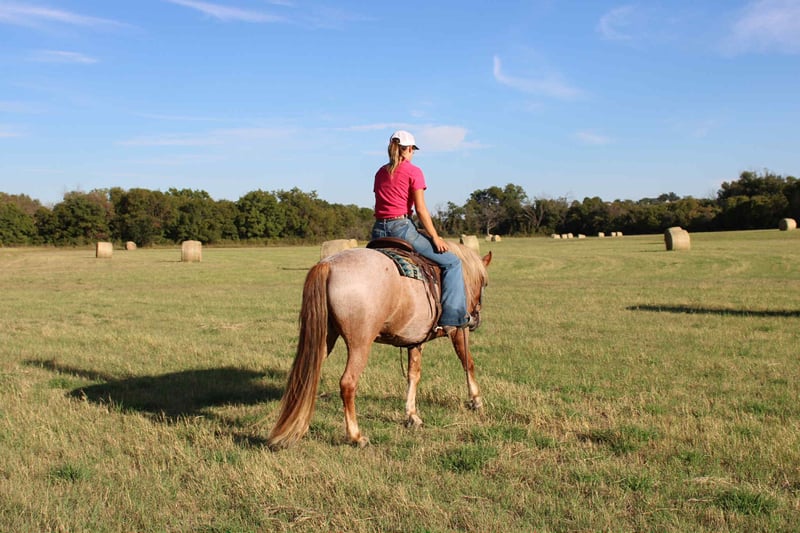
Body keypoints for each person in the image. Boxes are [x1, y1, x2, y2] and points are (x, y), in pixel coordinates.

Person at [371, 130, 474, 330]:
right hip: (401, 228)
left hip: (378, 231)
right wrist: (435, 237)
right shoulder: (413, 171)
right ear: (409, 149)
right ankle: (452, 317)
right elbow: (421, 210)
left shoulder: (380, 172)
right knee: (452, 262)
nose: (413, 153)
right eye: (412, 150)